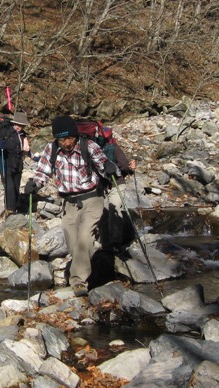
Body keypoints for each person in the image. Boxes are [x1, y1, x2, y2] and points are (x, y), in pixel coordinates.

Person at [24, 115, 119, 297]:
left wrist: (109, 168)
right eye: (62, 140)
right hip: (69, 202)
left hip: (92, 198)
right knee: (72, 243)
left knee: (85, 238)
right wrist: (35, 184)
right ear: (56, 139)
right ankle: (91, 271)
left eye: (70, 138)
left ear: (75, 135)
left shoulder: (88, 146)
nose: (67, 143)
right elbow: (43, 171)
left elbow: (103, 163)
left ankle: (78, 282)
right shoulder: (51, 149)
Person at [101, 126, 138, 255]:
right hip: (107, 185)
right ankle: (109, 243)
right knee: (110, 212)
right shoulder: (111, 147)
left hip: (115, 184)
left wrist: (128, 168)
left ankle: (113, 242)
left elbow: (124, 166)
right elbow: (125, 167)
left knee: (112, 210)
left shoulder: (112, 148)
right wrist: (129, 168)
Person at [0, 110, 30, 214]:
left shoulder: (22, 134)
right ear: (14, 123)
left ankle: (15, 207)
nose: (20, 127)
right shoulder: (4, 131)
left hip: (18, 161)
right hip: (5, 160)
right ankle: (10, 210)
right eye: (19, 125)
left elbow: (25, 148)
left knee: (16, 186)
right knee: (9, 186)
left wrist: (34, 157)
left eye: (22, 126)